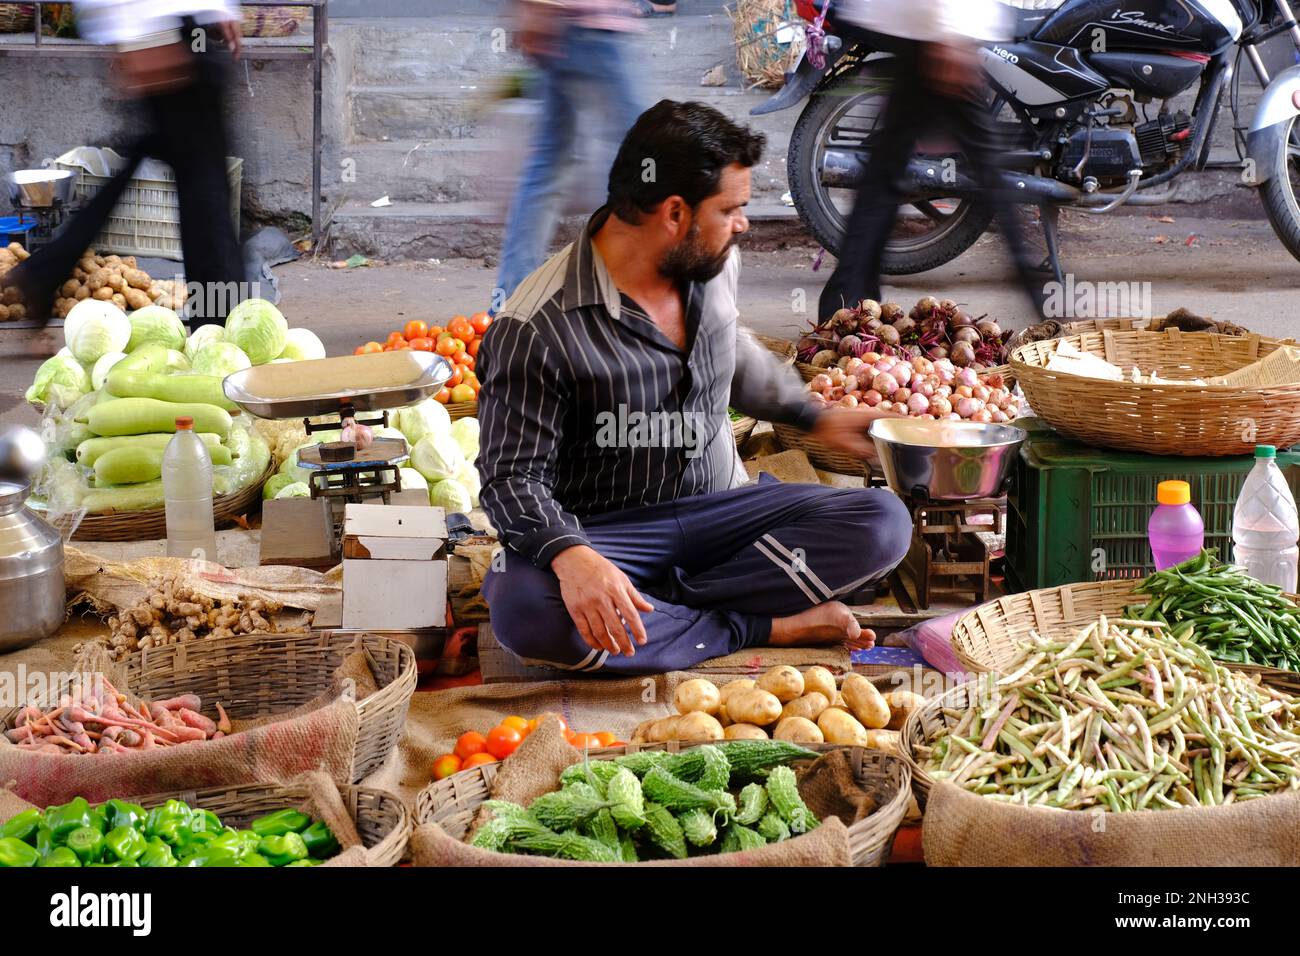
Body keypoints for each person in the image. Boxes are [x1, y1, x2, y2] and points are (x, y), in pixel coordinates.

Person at [476, 100, 912, 676]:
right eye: (731, 209)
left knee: (883, 523)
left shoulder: (712, 260)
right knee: (526, 613)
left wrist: (814, 416)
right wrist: (572, 556)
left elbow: (730, 353)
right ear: (675, 213)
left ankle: (657, 615)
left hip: (722, 515)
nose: (743, 224)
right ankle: (757, 624)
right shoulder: (535, 327)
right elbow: (511, 479)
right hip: (606, 534)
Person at [5, 0, 245, 325]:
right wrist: (133, 32)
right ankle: (220, 321)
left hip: (177, 26)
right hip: (162, 27)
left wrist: (219, 9)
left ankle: (43, 273)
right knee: (205, 187)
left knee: (184, 168)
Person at [817, 0, 1046, 320]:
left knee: (885, 175)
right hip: (935, 30)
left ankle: (847, 307)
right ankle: (1046, 306)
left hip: (925, 28)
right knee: (990, 170)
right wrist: (949, 32)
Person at [492, 0, 645, 307]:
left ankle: (509, 300)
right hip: (586, 29)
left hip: (572, 30)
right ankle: (660, 294)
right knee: (648, 154)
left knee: (547, 168)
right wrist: (534, 10)